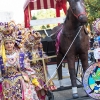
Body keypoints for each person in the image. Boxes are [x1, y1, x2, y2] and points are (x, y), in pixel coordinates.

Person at [0, 21, 40, 100]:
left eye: (11, 43)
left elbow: (27, 68)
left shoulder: (20, 55)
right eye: (7, 43)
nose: (9, 45)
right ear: (3, 44)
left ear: (14, 43)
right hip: (6, 85)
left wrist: (35, 81)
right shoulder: (1, 57)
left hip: (21, 83)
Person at [24, 30, 56, 100]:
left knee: (43, 89)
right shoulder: (27, 53)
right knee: (35, 89)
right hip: (33, 73)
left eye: (38, 44)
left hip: (41, 72)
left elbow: (46, 59)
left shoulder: (40, 51)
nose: (37, 45)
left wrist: (45, 58)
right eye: (36, 44)